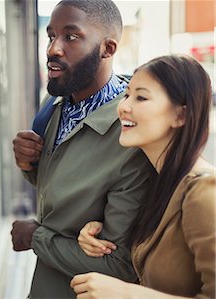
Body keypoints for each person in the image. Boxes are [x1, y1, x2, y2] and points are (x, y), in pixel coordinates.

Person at [11, 0, 151, 297]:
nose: (53, 49)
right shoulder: (54, 103)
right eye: (51, 36)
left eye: (70, 37)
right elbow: (63, 186)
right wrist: (29, 164)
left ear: (108, 49)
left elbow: (120, 264)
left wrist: (35, 237)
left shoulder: (132, 133)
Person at [71, 54, 215, 298]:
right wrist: (100, 232)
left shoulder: (204, 192)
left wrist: (126, 294)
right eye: (126, 95)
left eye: (141, 97)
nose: (124, 106)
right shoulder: (162, 180)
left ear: (181, 116)